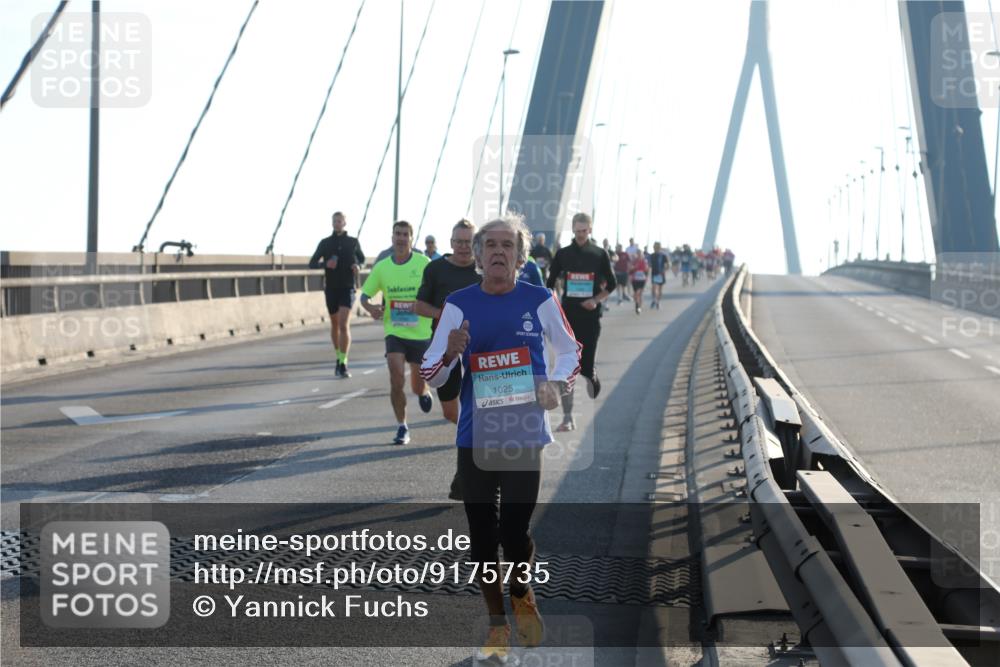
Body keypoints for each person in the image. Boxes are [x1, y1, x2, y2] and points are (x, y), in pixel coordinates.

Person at [420, 214, 580, 663]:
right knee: (481, 538)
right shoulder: (458, 303)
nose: (497, 252)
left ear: (519, 255)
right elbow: (431, 371)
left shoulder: (540, 298)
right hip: (476, 435)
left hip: (525, 433)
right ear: (476, 254)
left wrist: (556, 384)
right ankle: (497, 626)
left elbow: (571, 351)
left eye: (506, 245)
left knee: (514, 531)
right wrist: (451, 352)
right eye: (488, 244)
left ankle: (522, 588)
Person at [415, 219, 480, 499]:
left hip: (481, 347)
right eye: (459, 241)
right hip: (445, 348)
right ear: (450, 243)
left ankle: (467, 469)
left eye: (469, 242)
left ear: (475, 244)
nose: (464, 247)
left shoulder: (484, 269)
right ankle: (474, 445)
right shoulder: (436, 269)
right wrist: (443, 315)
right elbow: (419, 305)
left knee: (480, 408)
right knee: (452, 412)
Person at [361, 220, 435, 445]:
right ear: (392, 237)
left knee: (416, 384)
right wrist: (371, 307)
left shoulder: (424, 263)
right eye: (397, 234)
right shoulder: (383, 267)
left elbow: (436, 290)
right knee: (395, 377)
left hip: (420, 332)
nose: (401, 238)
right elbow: (365, 295)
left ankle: (423, 392)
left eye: (405, 234)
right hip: (394, 331)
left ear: (412, 239)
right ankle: (402, 426)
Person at [545, 212, 616, 432]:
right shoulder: (564, 254)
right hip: (568, 316)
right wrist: (554, 304)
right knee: (568, 367)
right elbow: (550, 282)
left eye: (584, 231)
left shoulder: (599, 253)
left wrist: (595, 300)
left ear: (590, 230)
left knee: (584, 367)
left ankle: (591, 374)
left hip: (591, 316)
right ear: (573, 230)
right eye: (577, 231)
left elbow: (611, 284)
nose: (580, 235)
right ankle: (568, 418)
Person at [309, 211, 366, 378]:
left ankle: (343, 362)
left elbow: (362, 260)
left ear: (345, 223)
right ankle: (338, 356)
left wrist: (358, 266)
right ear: (332, 223)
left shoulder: (353, 242)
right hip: (331, 288)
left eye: (340, 220)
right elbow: (312, 263)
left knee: (343, 324)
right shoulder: (325, 243)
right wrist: (326, 264)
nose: (337, 223)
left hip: (347, 287)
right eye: (335, 221)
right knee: (334, 325)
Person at [648, 241, 668, 309]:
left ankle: (658, 302)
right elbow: (649, 264)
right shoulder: (651, 255)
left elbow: (667, 264)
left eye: (657, 247)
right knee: (654, 288)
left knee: (660, 289)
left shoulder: (663, 255)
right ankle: (654, 300)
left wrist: (665, 269)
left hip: (661, 274)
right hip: (654, 273)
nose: (656, 248)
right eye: (655, 247)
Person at [630, 250, 649, 315]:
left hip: (642, 279)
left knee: (639, 293)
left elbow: (647, 270)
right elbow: (630, 270)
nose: (639, 255)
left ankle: (639, 307)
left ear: (642, 255)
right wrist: (633, 268)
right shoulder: (634, 261)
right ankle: (637, 304)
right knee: (636, 294)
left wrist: (646, 277)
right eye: (638, 254)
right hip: (635, 280)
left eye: (640, 254)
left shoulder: (644, 261)